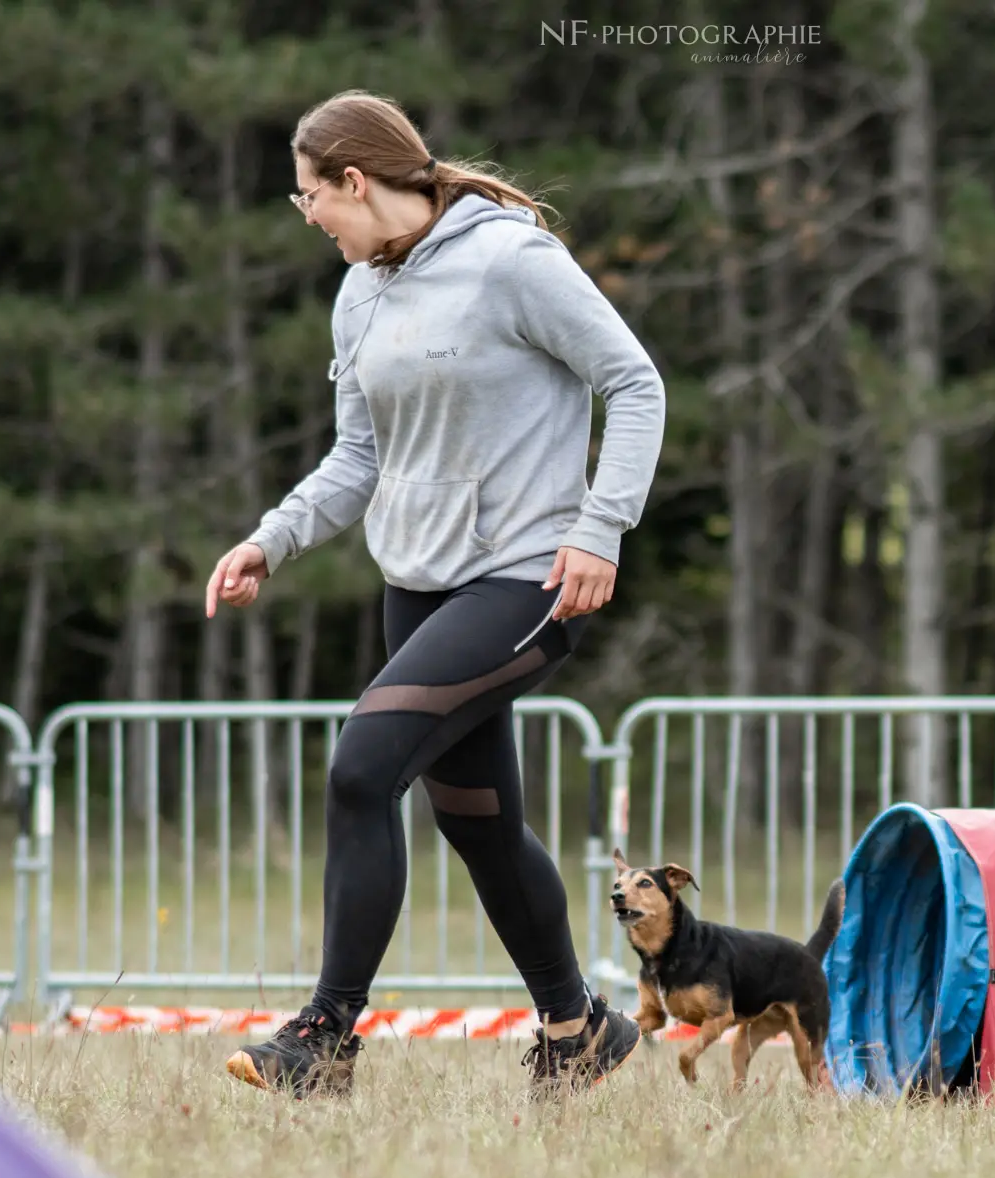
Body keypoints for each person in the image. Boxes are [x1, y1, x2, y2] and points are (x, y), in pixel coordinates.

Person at [205, 91, 666, 1099]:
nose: (309, 217)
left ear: (354, 181)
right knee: (479, 824)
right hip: (415, 583)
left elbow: (633, 384)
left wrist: (599, 527)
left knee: (362, 767)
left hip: (525, 576)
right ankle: (577, 1028)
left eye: (308, 198)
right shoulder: (360, 293)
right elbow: (357, 456)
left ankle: (324, 1035)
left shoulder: (510, 261)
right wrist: (268, 538)